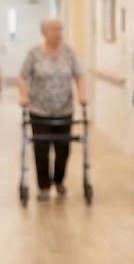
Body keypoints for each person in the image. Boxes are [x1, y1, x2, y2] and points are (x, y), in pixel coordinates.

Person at [18, 18, 87, 201]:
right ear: (44, 32)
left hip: (64, 108)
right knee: (41, 148)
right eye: (54, 29)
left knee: (63, 148)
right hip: (39, 109)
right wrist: (24, 96)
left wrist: (82, 94)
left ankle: (59, 181)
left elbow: (79, 75)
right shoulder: (34, 53)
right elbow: (22, 76)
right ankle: (43, 186)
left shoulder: (69, 53)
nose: (58, 33)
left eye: (60, 29)